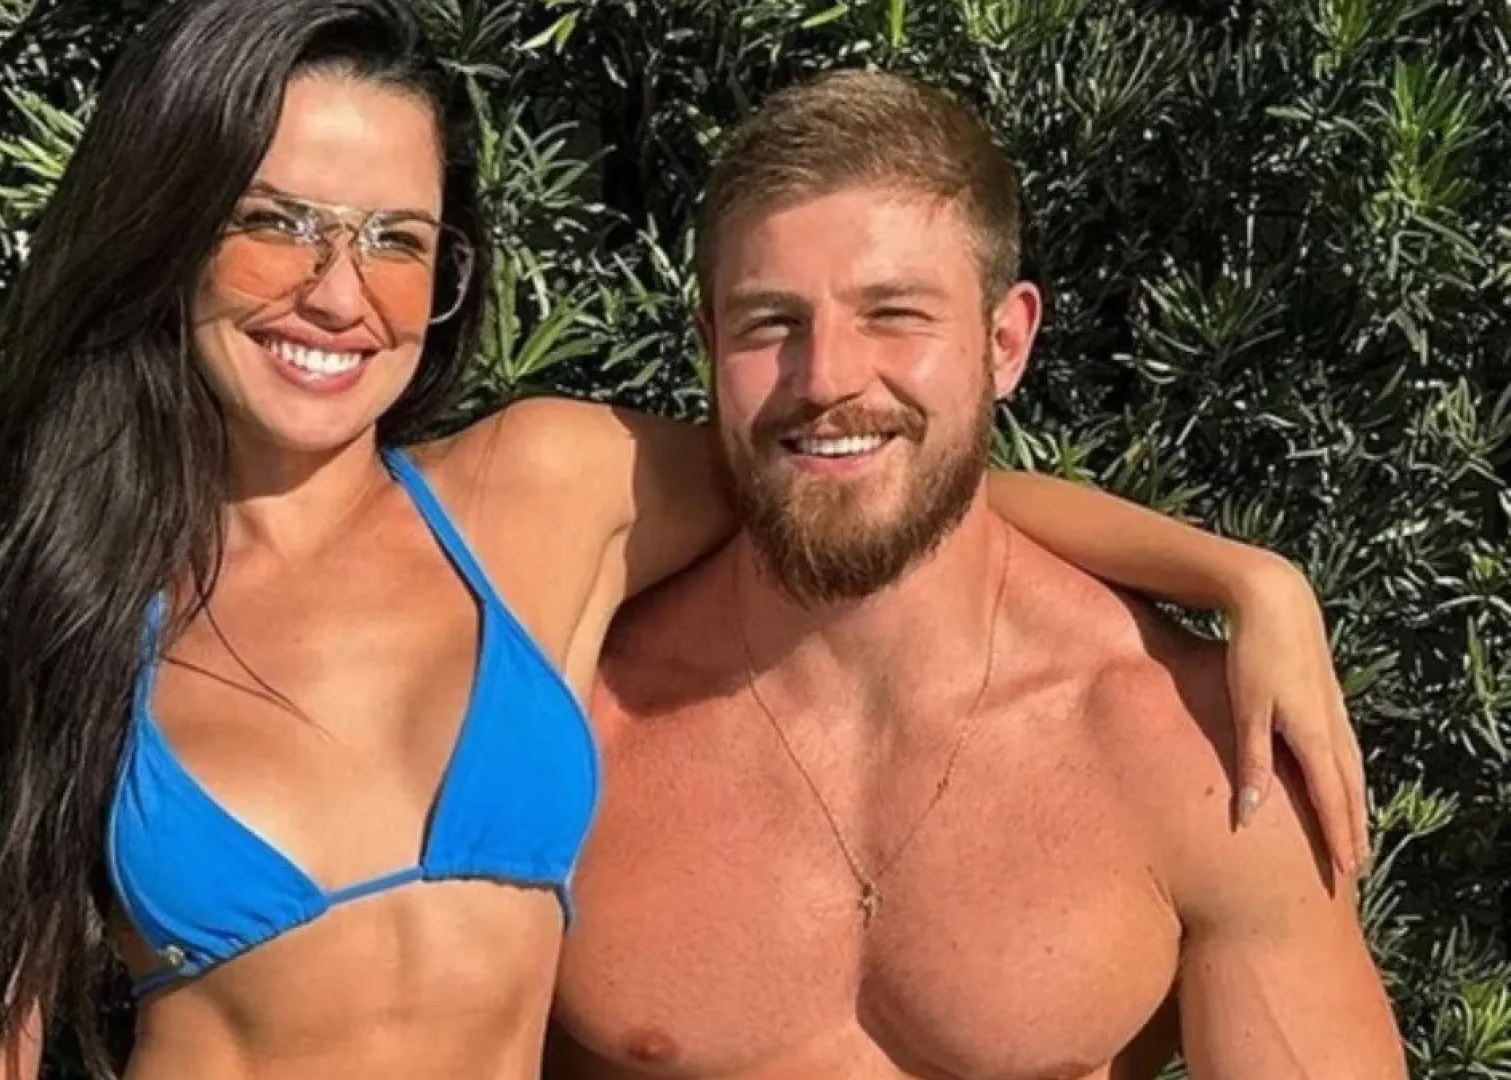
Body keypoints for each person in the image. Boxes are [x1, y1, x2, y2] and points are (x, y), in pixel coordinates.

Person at [0, 4, 1371, 1078]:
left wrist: (1242, 575)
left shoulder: (541, 498)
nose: (338, 290)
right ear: (173, 230)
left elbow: (858, 467)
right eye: (276, 221)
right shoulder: (77, 606)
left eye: (396, 238)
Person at [544, 69, 1405, 1080]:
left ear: (1006, 341)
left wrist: (1259, 578)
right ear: (709, 345)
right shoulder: (574, 721)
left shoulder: (1198, 749)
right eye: (770, 322)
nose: (826, 379)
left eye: (894, 314)